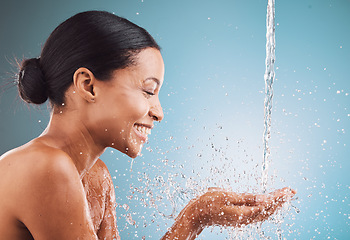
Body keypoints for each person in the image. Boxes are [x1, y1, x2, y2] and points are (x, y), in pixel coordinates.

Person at [0, 11, 296, 240]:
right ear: (88, 85)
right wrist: (193, 219)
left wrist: (199, 214)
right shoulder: (46, 168)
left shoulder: (93, 177)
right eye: (148, 90)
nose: (159, 112)